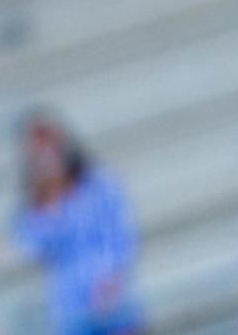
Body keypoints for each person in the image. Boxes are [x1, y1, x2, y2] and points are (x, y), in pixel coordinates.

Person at [13, 110, 146, 335]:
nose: (48, 155)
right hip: (72, 312)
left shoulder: (99, 183)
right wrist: (49, 199)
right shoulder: (35, 205)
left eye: (50, 144)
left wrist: (112, 277)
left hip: (114, 301)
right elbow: (33, 249)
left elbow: (123, 233)